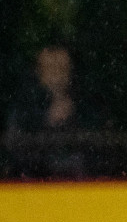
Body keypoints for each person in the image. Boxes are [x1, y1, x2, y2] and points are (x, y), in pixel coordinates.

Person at [5, 43, 89, 179]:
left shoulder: (87, 108)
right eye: (50, 69)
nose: (57, 76)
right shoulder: (24, 109)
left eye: (62, 69)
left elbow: (99, 153)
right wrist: (45, 120)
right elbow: (16, 154)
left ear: (70, 71)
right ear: (38, 72)